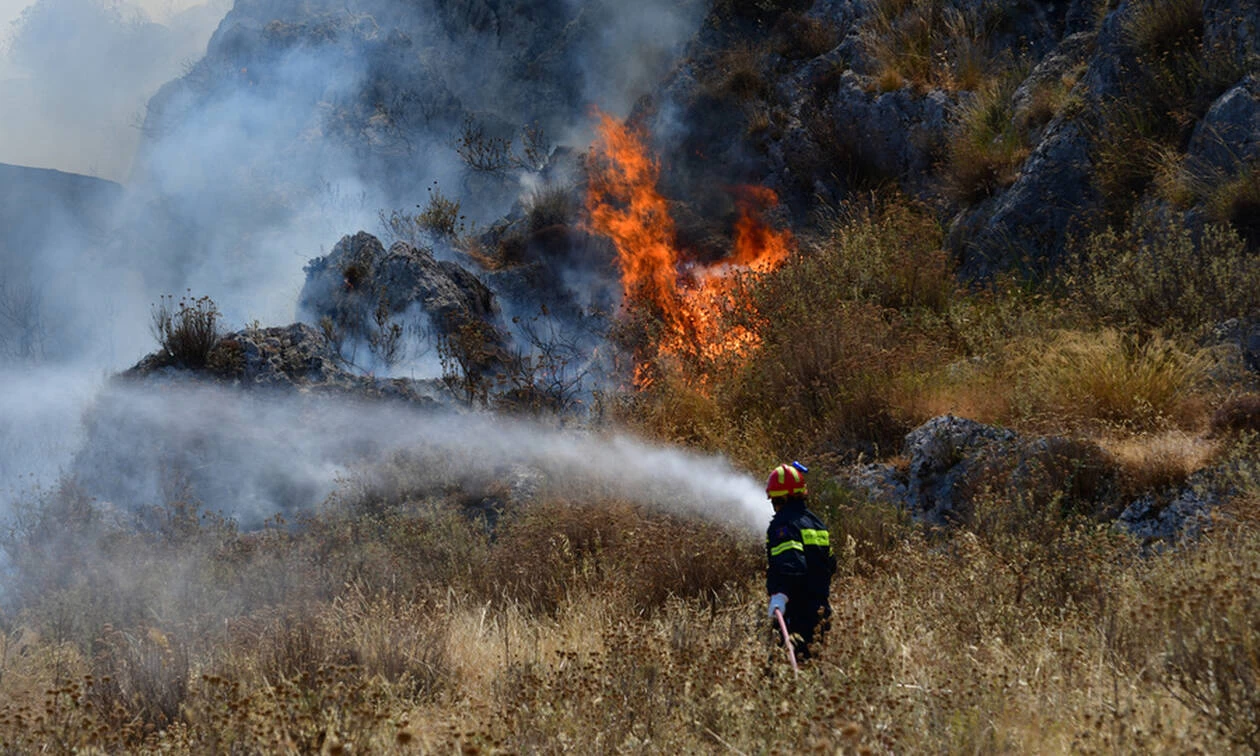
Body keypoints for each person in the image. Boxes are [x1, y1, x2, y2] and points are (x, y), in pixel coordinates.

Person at [765, 461, 835, 660]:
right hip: (821, 612)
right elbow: (831, 564)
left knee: (784, 673)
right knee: (814, 671)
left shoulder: (783, 525)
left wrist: (780, 595)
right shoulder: (816, 523)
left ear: (781, 498)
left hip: (797, 614)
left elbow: (791, 565)